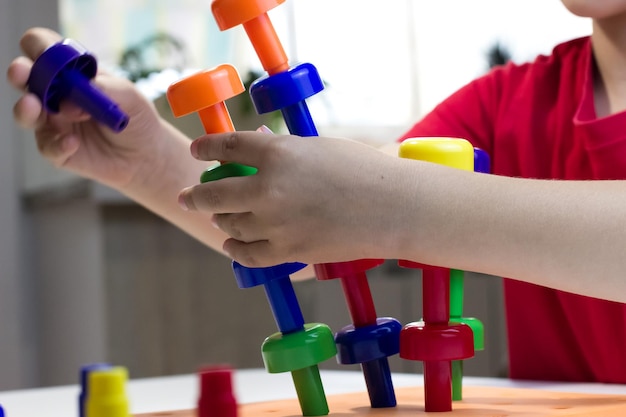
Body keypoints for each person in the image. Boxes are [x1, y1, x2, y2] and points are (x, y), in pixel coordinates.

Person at [6, 0, 626, 383]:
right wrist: (149, 160)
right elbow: (315, 226)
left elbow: (373, 203)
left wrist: (395, 207)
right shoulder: (509, 102)